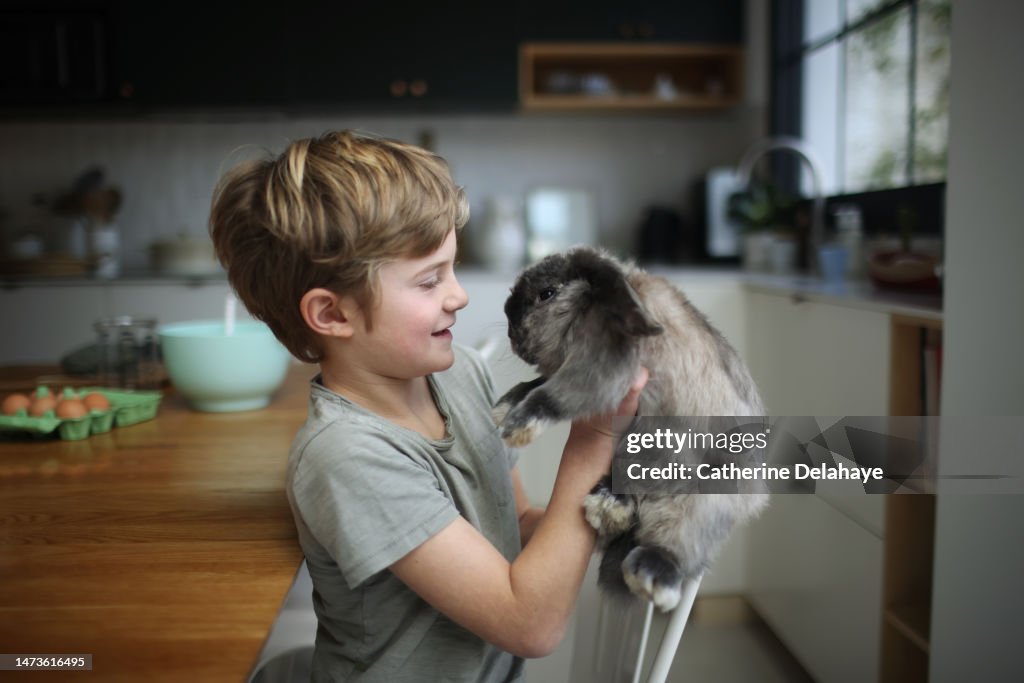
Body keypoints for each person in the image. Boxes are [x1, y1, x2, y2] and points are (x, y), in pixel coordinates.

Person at [209, 130, 646, 682]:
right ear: (332, 314)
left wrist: (634, 484)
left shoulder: (463, 373)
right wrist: (595, 442)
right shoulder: (347, 456)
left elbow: (519, 527)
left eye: (453, 268)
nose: (458, 295)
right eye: (429, 279)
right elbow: (529, 624)